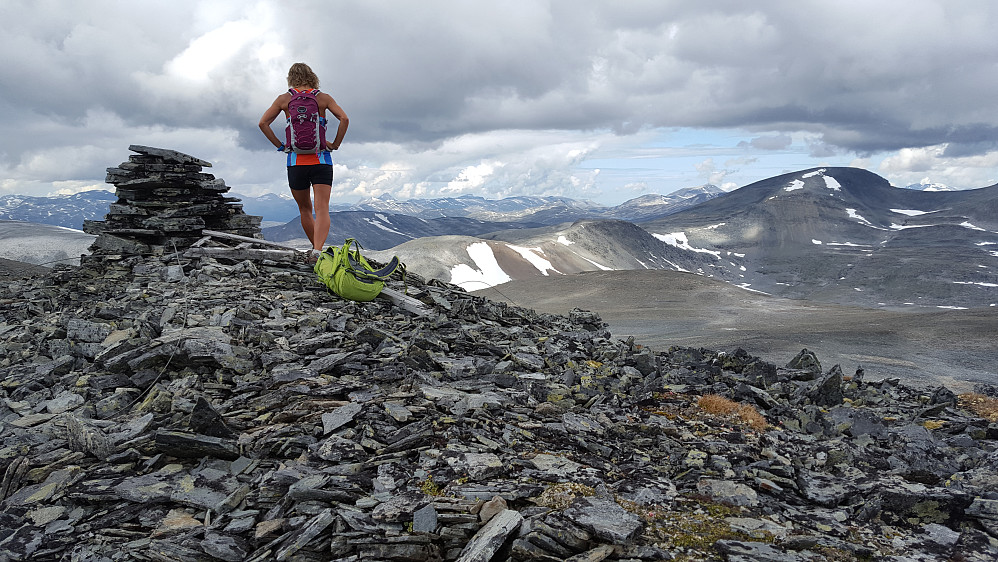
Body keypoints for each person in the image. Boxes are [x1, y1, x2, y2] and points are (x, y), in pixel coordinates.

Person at [259, 62, 349, 261]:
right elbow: (344, 119)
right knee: (322, 208)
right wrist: (335, 144)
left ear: (290, 79)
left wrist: (281, 146)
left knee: (304, 209)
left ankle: (316, 252)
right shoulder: (323, 98)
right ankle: (317, 250)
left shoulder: (284, 99)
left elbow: (262, 123)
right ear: (312, 77)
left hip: (295, 162)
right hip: (321, 160)